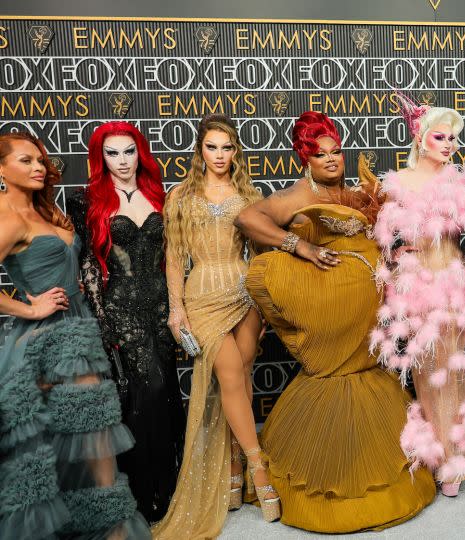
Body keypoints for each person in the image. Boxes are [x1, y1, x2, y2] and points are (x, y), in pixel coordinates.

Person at [234, 111, 435, 531]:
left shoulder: (358, 193)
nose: (330, 159)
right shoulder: (296, 196)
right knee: (335, 387)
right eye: (319, 153)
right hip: (330, 311)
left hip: (366, 315)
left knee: (368, 381)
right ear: (304, 158)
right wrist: (299, 248)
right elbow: (248, 219)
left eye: (336, 151)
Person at [0, 132, 150, 538]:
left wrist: (73, 285)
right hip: (46, 336)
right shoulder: (7, 217)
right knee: (79, 430)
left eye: (40, 161)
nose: (37, 168)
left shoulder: (45, 211)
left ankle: (106, 524)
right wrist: (30, 307)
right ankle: (113, 527)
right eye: (25, 161)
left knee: (83, 430)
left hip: (78, 326)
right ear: (1, 169)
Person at [151, 114, 272, 538]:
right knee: (230, 374)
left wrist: (265, 299)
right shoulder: (181, 197)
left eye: (227, 147)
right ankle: (260, 469)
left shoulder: (249, 195)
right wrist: (176, 310)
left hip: (246, 296)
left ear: (235, 152)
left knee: (243, 377)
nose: (219, 155)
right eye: (211, 147)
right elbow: (173, 258)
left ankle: (235, 470)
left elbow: (259, 255)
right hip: (203, 297)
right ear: (199, 150)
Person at [371, 93, 465, 497]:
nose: (449, 145)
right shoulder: (400, 183)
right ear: (420, 138)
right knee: (428, 372)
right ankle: (439, 457)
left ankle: (455, 459)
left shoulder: (456, 180)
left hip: (454, 283)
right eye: (441, 137)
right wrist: (396, 251)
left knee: (454, 371)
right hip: (418, 285)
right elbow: (383, 237)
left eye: (454, 139)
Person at [66, 121, 186, 521]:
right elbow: (87, 267)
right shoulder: (88, 200)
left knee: (167, 392)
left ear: (141, 153)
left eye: (128, 151)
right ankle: (140, 493)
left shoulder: (161, 196)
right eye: (112, 153)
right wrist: (103, 324)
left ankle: (168, 491)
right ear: (101, 158)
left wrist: (179, 307)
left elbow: (174, 259)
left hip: (161, 307)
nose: (121, 161)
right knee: (141, 396)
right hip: (120, 310)